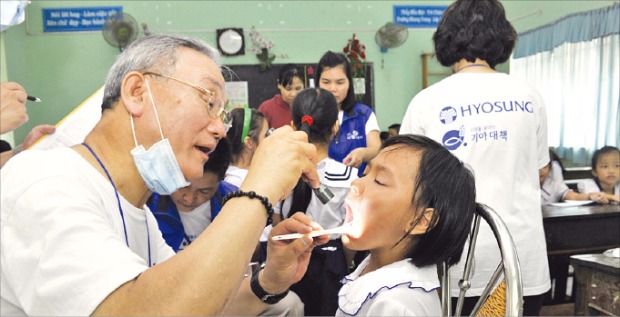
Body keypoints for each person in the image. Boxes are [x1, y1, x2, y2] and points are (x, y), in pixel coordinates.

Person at [1, 34, 329, 316]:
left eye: (224, 115)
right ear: (136, 93)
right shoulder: (45, 181)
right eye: (209, 101)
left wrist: (268, 281)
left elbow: (192, 303)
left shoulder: (139, 213)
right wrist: (258, 190)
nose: (219, 128)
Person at [400, 0, 550, 315]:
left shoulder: (427, 101)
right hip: (520, 256)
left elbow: (408, 182)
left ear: (445, 38)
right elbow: (541, 171)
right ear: (503, 36)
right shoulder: (528, 95)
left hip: (455, 256)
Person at [336, 134, 477, 316]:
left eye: (379, 180)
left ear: (420, 221)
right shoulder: (373, 265)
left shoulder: (396, 305)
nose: (356, 183)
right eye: (365, 173)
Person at [275, 87, 358, 316]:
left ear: (294, 126)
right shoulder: (349, 178)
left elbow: (276, 223)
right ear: (335, 127)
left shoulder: (278, 174)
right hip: (331, 263)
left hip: (289, 259)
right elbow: (350, 236)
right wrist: (347, 263)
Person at [147, 138, 237, 252]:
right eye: (183, 186)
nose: (189, 199)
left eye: (204, 191)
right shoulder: (146, 202)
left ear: (220, 180)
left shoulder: (234, 203)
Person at [316, 51, 381, 177]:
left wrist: (363, 153)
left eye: (340, 82)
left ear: (349, 83)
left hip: (356, 189)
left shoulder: (364, 114)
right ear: (317, 82)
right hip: (318, 189)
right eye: (326, 82)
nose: (333, 89)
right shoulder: (309, 113)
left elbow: (378, 150)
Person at [540, 150, 608, 205]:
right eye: (536, 167)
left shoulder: (554, 184)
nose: (541, 171)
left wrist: (589, 196)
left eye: (545, 167)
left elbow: (573, 196)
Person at [224, 107, 269, 187]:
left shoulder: (250, 174)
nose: (270, 140)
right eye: (266, 135)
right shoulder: (236, 180)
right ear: (249, 142)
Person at [258, 63, 304, 129]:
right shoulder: (266, 108)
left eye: (298, 88)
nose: (293, 94)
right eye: (288, 89)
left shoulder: (309, 107)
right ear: (279, 84)